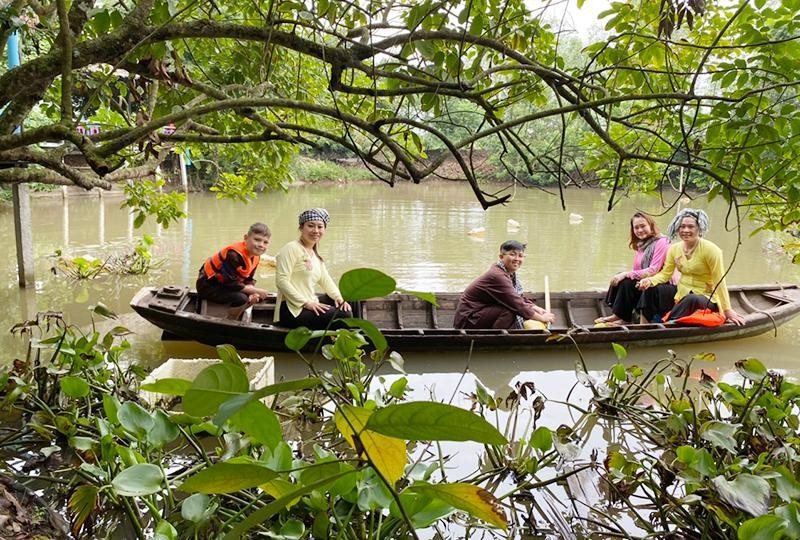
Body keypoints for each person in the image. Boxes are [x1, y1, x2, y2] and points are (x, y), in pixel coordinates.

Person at [637, 208, 745, 326]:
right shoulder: (674, 249)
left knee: (692, 299)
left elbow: (719, 281)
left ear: (699, 228)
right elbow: (665, 274)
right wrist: (649, 280)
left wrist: (727, 310)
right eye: (682, 226)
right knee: (651, 290)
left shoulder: (711, 250)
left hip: (706, 297)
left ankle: (666, 324)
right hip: (681, 293)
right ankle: (644, 325)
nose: (685, 230)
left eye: (690, 226)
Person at [274, 208, 353, 329]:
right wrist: (306, 303)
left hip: (310, 301)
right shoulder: (291, 248)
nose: (316, 231)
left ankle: (354, 333)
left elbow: (326, 281)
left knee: (349, 302)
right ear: (301, 228)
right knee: (344, 315)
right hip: (293, 310)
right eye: (310, 226)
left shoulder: (316, 256)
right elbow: (281, 281)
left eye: (320, 227)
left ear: (324, 230)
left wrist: (339, 298)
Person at [453, 240, 555, 329]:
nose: (517, 259)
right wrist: (542, 318)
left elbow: (518, 297)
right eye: (512, 254)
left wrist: (537, 309)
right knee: (509, 310)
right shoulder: (497, 276)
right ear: (501, 256)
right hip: (468, 320)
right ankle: (496, 339)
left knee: (513, 307)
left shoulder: (508, 273)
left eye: (520, 256)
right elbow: (516, 304)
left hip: (479, 314)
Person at [595, 212, 674, 325]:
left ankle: (643, 325)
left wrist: (627, 274)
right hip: (649, 281)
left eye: (643, 226)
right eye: (636, 227)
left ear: (651, 225)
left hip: (666, 286)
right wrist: (625, 275)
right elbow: (636, 272)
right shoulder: (641, 245)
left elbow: (653, 270)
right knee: (626, 281)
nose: (640, 230)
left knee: (645, 285)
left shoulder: (663, 242)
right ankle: (620, 317)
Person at [196, 222, 272, 319]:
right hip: (208, 285)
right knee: (242, 298)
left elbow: (248, 279)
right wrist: (253, 290)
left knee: (255, 297)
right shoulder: (233, 255)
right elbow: (230, 282)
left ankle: (238, 313)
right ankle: (231, 320)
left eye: (265, 242)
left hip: (224, 284)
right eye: (257, 240)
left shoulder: (255, 257)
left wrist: (252, 292)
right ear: (246, 238)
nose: (261, 245)